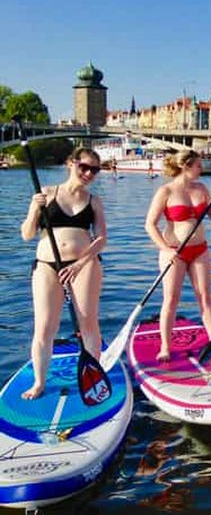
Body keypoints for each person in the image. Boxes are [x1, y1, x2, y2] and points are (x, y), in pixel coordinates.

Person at [19, 148, 108, 399]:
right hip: (47, 264)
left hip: (84, 265)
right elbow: (27, 234)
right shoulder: (46, 193)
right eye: (84, 167)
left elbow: (101, 239)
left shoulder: (94, 201)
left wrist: (79, 264)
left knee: (88, 321)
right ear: (71, 163)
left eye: (94, 170)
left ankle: (93, 375)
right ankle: (39, 383)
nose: (88, 173)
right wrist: (36, 209)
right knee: (45, 326)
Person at [145, 150, 211, 361]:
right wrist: (165, 248)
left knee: (205, 297)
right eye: (199, 165)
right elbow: (150, 225)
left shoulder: (202, 188)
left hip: (200, 249)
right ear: (186, 166)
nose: (202, 169)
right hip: (174, 252)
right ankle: (165, 346)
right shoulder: (166, 191)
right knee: (171, 300)